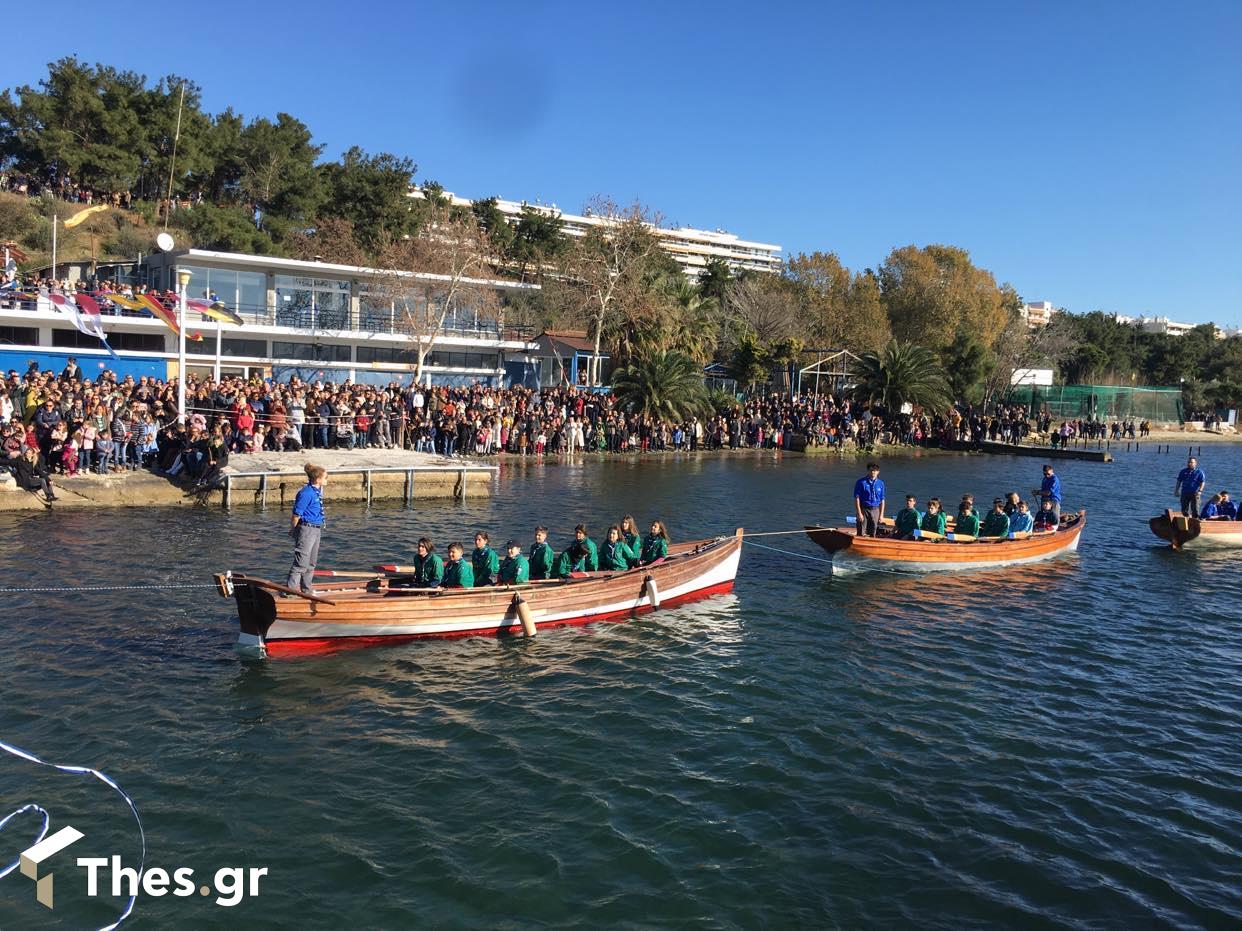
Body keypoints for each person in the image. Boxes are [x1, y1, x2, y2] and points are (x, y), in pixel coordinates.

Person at [286, 463, 326, 594]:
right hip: (306, 529)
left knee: (311, 563)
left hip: (316, 529)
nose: (327, 480)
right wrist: (293, 529)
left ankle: (306, 589)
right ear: (318, 479)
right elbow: (296, 514)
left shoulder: (317, 490)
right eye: (325, 477)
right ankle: (290, 591)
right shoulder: (306, 493)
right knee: (301, 563)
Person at [853, 462, 885, 537]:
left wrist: (881, 515)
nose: (873, 472)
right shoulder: (861, 482)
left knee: (873, 530)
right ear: (868, 471)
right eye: (871, 470)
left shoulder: (881, 483)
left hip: (875, 509)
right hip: (864, 508)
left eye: (875, 471)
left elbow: (882, 500)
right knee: (861, 529)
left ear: (878, 472)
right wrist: (859, 513)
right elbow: (857, 498)